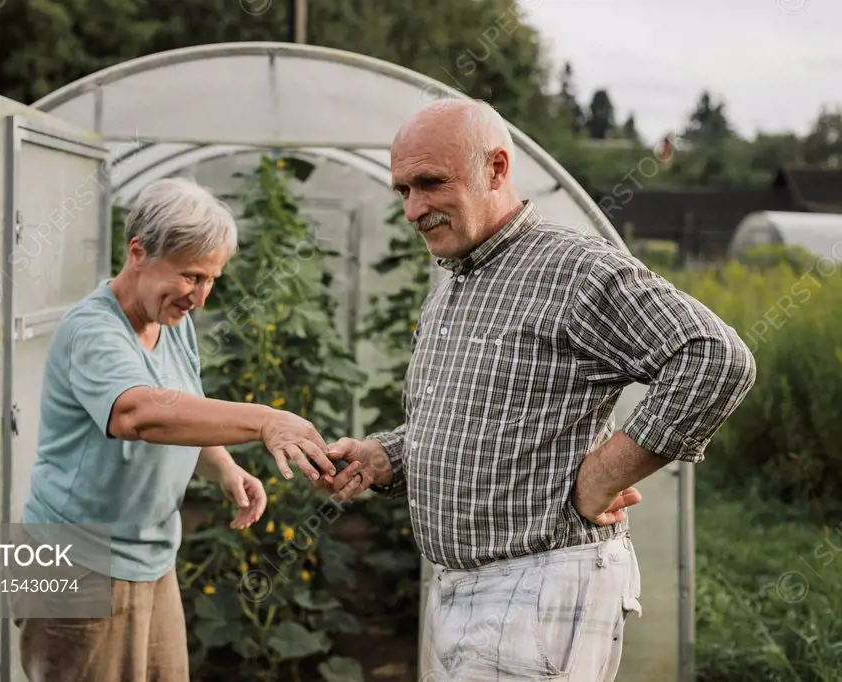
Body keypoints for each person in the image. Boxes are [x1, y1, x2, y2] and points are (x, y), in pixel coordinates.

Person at [321, 100, 757, 681]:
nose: (413, 208)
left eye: (430, 183)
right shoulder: (458, 281)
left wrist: (601, 477)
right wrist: (386, 456)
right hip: (469, 590)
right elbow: (473, 414)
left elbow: (715, 358)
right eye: (403, 189)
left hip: (538, 588)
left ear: (497, 169)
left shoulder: (571, 269)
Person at [14, 177, 343, 681]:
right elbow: (138, 414)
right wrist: (263, 420)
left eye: (211, 279)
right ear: (138, 252)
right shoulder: (92, 330)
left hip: (151, 555)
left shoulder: (171, 320)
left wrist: (224, 467)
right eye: (190, 276)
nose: (200, 296)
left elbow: (182, 406)